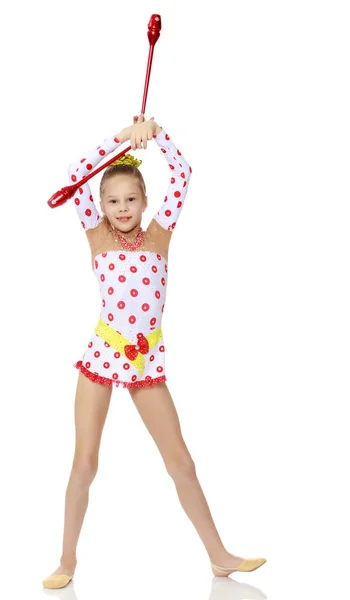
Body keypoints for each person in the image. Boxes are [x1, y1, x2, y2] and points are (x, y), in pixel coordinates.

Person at [42, 115, 266, 589]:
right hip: (103, 357)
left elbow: (182, 173)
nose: (121, 207)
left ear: (145, 202)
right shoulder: (97, 236)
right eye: (112, 200)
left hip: (145, 364)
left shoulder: (161, 236)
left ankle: (219, 556)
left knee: (180, 461)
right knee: (85, 462)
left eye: (130, 199)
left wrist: (158, 136)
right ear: (100, 206)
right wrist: (121, 139)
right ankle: (67, 560)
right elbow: (74, 173)